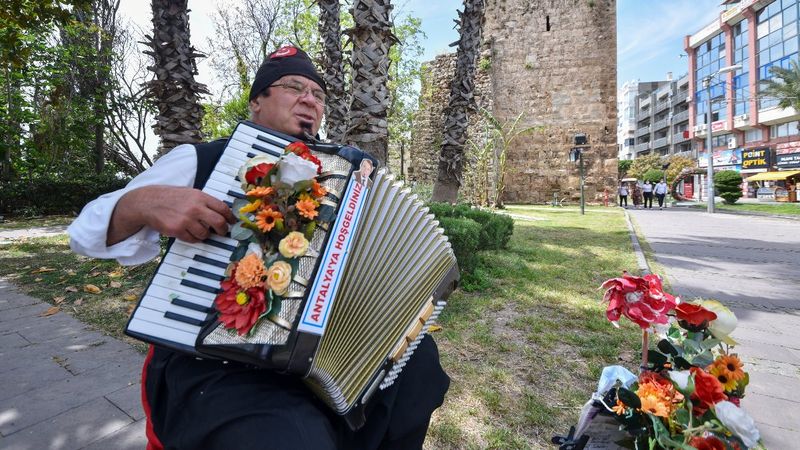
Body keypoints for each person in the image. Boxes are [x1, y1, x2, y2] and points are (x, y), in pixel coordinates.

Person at [68, 46, 449, 450]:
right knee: (289, 439)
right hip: (218, 359)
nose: (310, 100)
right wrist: (140, 203)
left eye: (319, 95)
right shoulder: (203, 160)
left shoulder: (345, 178)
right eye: (293, 87)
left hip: (317, 351)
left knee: (420, 366)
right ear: (256, 103)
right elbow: (84, 232)